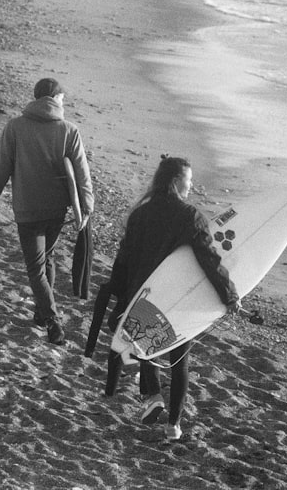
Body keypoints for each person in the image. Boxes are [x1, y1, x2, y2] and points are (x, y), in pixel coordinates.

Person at [104, 156, 239, 441]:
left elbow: (123, 260)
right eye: (189, 181)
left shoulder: (140, 214)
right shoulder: (189, 216)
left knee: (148, 344)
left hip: (142, 296)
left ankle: (153, 396)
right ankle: (173, 425)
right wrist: (229, 295)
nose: (191, 186)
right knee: (180, 359)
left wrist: (119, 299)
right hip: (176, 296)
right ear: (177, 181)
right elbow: (208, 259)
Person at [0, 77, 94, 345]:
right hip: (56, 209)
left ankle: (52, 320)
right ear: (56, 99)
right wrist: (87, 207)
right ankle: (44, 312)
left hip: (28, 210)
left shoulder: (15, 127)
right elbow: (81, 173)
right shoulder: (69, 130)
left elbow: (0, 168)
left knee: (36, 267)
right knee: (47, 260)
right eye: (63, 100)